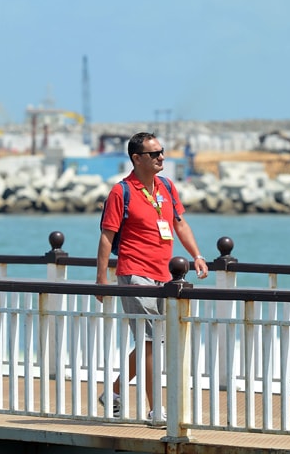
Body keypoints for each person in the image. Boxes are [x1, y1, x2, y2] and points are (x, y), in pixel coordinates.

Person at [95, 132, 209, 421]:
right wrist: (101, 279)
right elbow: (107, 237)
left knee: (155, 340)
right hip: (135, 273)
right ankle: (156, 409)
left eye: (162, 152)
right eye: (154, 153)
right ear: (136, 158)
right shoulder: (121, 192)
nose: (161, 157)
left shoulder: (167, 187)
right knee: (149, 341)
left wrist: (197, 255)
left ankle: (115, 392)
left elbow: (179, 224)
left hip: (164, 275)